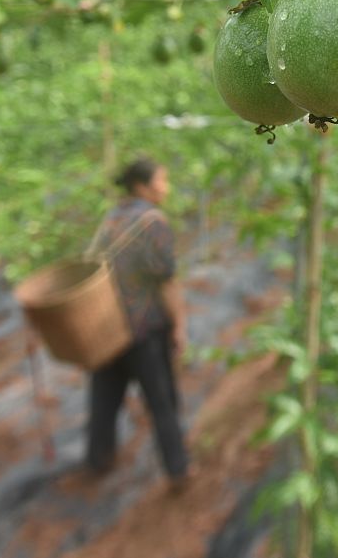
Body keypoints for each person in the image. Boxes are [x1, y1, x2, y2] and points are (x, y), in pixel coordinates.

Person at [85, 156, 191, 488]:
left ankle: (97, 462)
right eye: (162, 180)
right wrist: (179, 325)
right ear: (142, 186)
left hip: (109, 328)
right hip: (145, 329)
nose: (166, 187)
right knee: (161, 402)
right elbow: (166, 281)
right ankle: (178, 471)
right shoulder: (153, 221)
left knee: (104, 402)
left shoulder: (112, 218)